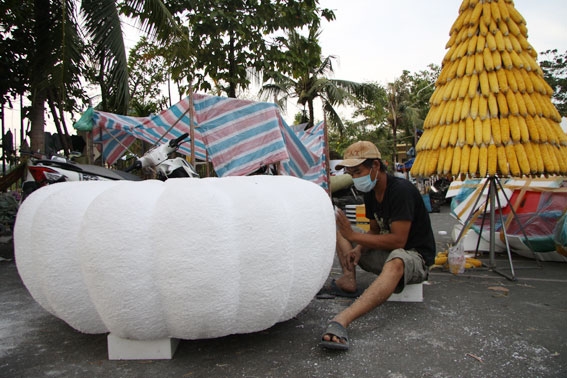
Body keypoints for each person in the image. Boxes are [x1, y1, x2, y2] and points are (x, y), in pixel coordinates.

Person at [319, 141, 435, 351]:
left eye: (358, 171)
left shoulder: (401, 191)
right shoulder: (371, 193)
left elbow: (398, 241)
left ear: (376, 167)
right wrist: (358, 248)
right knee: (337, 228)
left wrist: (353, 235)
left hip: (414, 258)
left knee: (398, 257)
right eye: (350, 173)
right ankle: (348, 280)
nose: (354, 178)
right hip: (388, 254)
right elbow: (374, 230)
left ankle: (341, 320)